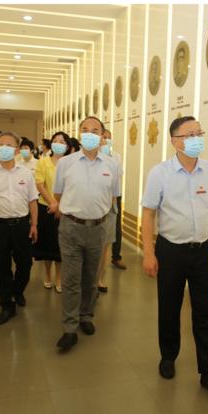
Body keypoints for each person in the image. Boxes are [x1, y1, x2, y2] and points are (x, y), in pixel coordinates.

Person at [141, 116, 208, 393]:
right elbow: (148, 214)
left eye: (199, 133)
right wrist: (148, 253)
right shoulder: (160, 173)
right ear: (175, 141)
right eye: (189, 134)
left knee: (204, 312)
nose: (196, 139)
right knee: (169, 307)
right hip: (170, 250)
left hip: (202, 251)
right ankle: (168, 357)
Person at [52, 115, 120, 352]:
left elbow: (113, 195)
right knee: (71, 279)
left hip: (98, 228)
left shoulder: (111, 165)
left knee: (91, 277)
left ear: (102, 137)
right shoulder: (66, 163)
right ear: (79, 133)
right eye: (85, 129)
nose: (90, 134)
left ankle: (86, 315)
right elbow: (58, 194)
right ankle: (69, 327)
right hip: (71, 227)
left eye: (95, 130)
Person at [0, 132, 38, 326]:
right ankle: (7, 305)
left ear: (17, 150)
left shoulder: (26, 173)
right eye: (0, 144)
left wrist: (34, 225)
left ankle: (17, 291)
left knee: (25, 264)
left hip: (21, 225)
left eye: (9, 145)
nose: (4, 147)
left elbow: (33, 201)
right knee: (1, 267)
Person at [34, 130, 70, 291]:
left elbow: (72, 186)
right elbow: (40, 185)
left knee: (61, 245)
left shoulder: (70, 163)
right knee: (48, 245)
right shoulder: (42, 162)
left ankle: (59, 277)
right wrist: (53, 204)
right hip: (46, 208)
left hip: (66, 209)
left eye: (62, 141)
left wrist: (60, 205)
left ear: (67, 146)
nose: (58, 144)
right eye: (56, 140)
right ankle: (48, 274)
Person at [96, 127, 124, 291]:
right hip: (94, 205)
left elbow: (116, 180)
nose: (106, 140)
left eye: (109, 137)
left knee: (106, 244)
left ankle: (100, 278)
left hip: (111, 203)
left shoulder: (116, 158)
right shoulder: (91, 158)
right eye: (103, 137)